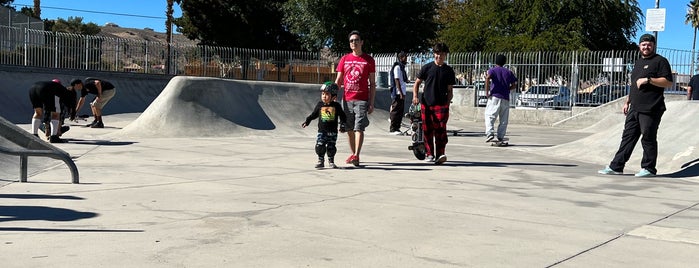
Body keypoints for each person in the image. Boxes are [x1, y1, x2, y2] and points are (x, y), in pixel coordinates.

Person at [598, 33, 673, 177]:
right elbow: (633, 86)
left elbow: (668, 82)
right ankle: (616, 166)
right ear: (639, 46)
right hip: (634, 107)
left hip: (652, 107)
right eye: (643, 44)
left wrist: (649, 80)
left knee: (648, 138)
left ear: (654, 46)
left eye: (649, 44)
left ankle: (649, 168)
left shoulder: (660, 61)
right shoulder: (638, 63)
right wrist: (627, 101)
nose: (646, 47)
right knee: (627, 137)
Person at [334, 30, 376, 166]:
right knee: (349, 129)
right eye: (351, 40)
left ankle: (357, 155)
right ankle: (353, 154)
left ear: (361, 42)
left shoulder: (369, 60)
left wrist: (371, 102)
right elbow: (339, 80)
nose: (354, 42)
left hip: (362, 99)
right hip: (346, 99)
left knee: (359, 128)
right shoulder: (344, 59)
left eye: (356, 40)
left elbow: (373, 84)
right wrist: (333, 96)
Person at [412, 42, 456, 165]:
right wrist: (415, 96)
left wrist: (447, 104)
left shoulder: (448, 70)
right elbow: (417, 83)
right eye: (437, 54)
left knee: (441, 130)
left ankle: (440, 153)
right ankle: (429, 153)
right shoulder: (427, 68)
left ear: (445, 55)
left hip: (441, 105)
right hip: (426, 104)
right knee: (427, 130)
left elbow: (450, 90)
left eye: (441, 54)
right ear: (434, 54)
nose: (439, 57)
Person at [302, 82, 347, 169]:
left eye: (327, 94)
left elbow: (343, 116)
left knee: (331, 147)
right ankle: (320, 161)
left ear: (334, 97)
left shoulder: (336, 106)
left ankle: (331, 161)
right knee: (320, 146)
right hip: (322, 131)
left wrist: (342, 125)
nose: (324, 96)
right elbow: (313, 115)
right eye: (322, 94)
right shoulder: (320, 105)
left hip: (333, 132)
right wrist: (307, 121)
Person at [484, 54, 518, 142]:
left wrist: (487, 91)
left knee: (490, 115)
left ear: (496, 61)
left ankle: (490, 133)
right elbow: (514, 85)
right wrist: (507, 89)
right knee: (504, 119)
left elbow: (487, 78)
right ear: (504, 62)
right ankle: (501, 136)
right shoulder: (508, 72)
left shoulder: (493, 70)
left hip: (495, 96)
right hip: (505, 97)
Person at [389, 51, 409, 135]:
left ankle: (397, 128)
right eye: (405, 57)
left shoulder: (402, 68)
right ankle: (393, 129)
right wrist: (400, 92)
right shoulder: (397, 67)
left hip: (402, 92)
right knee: (395, 110)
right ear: (401, 58)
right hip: (397, 92)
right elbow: (396, 80)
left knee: (400, 111)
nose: (406, 59)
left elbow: (401, 79)